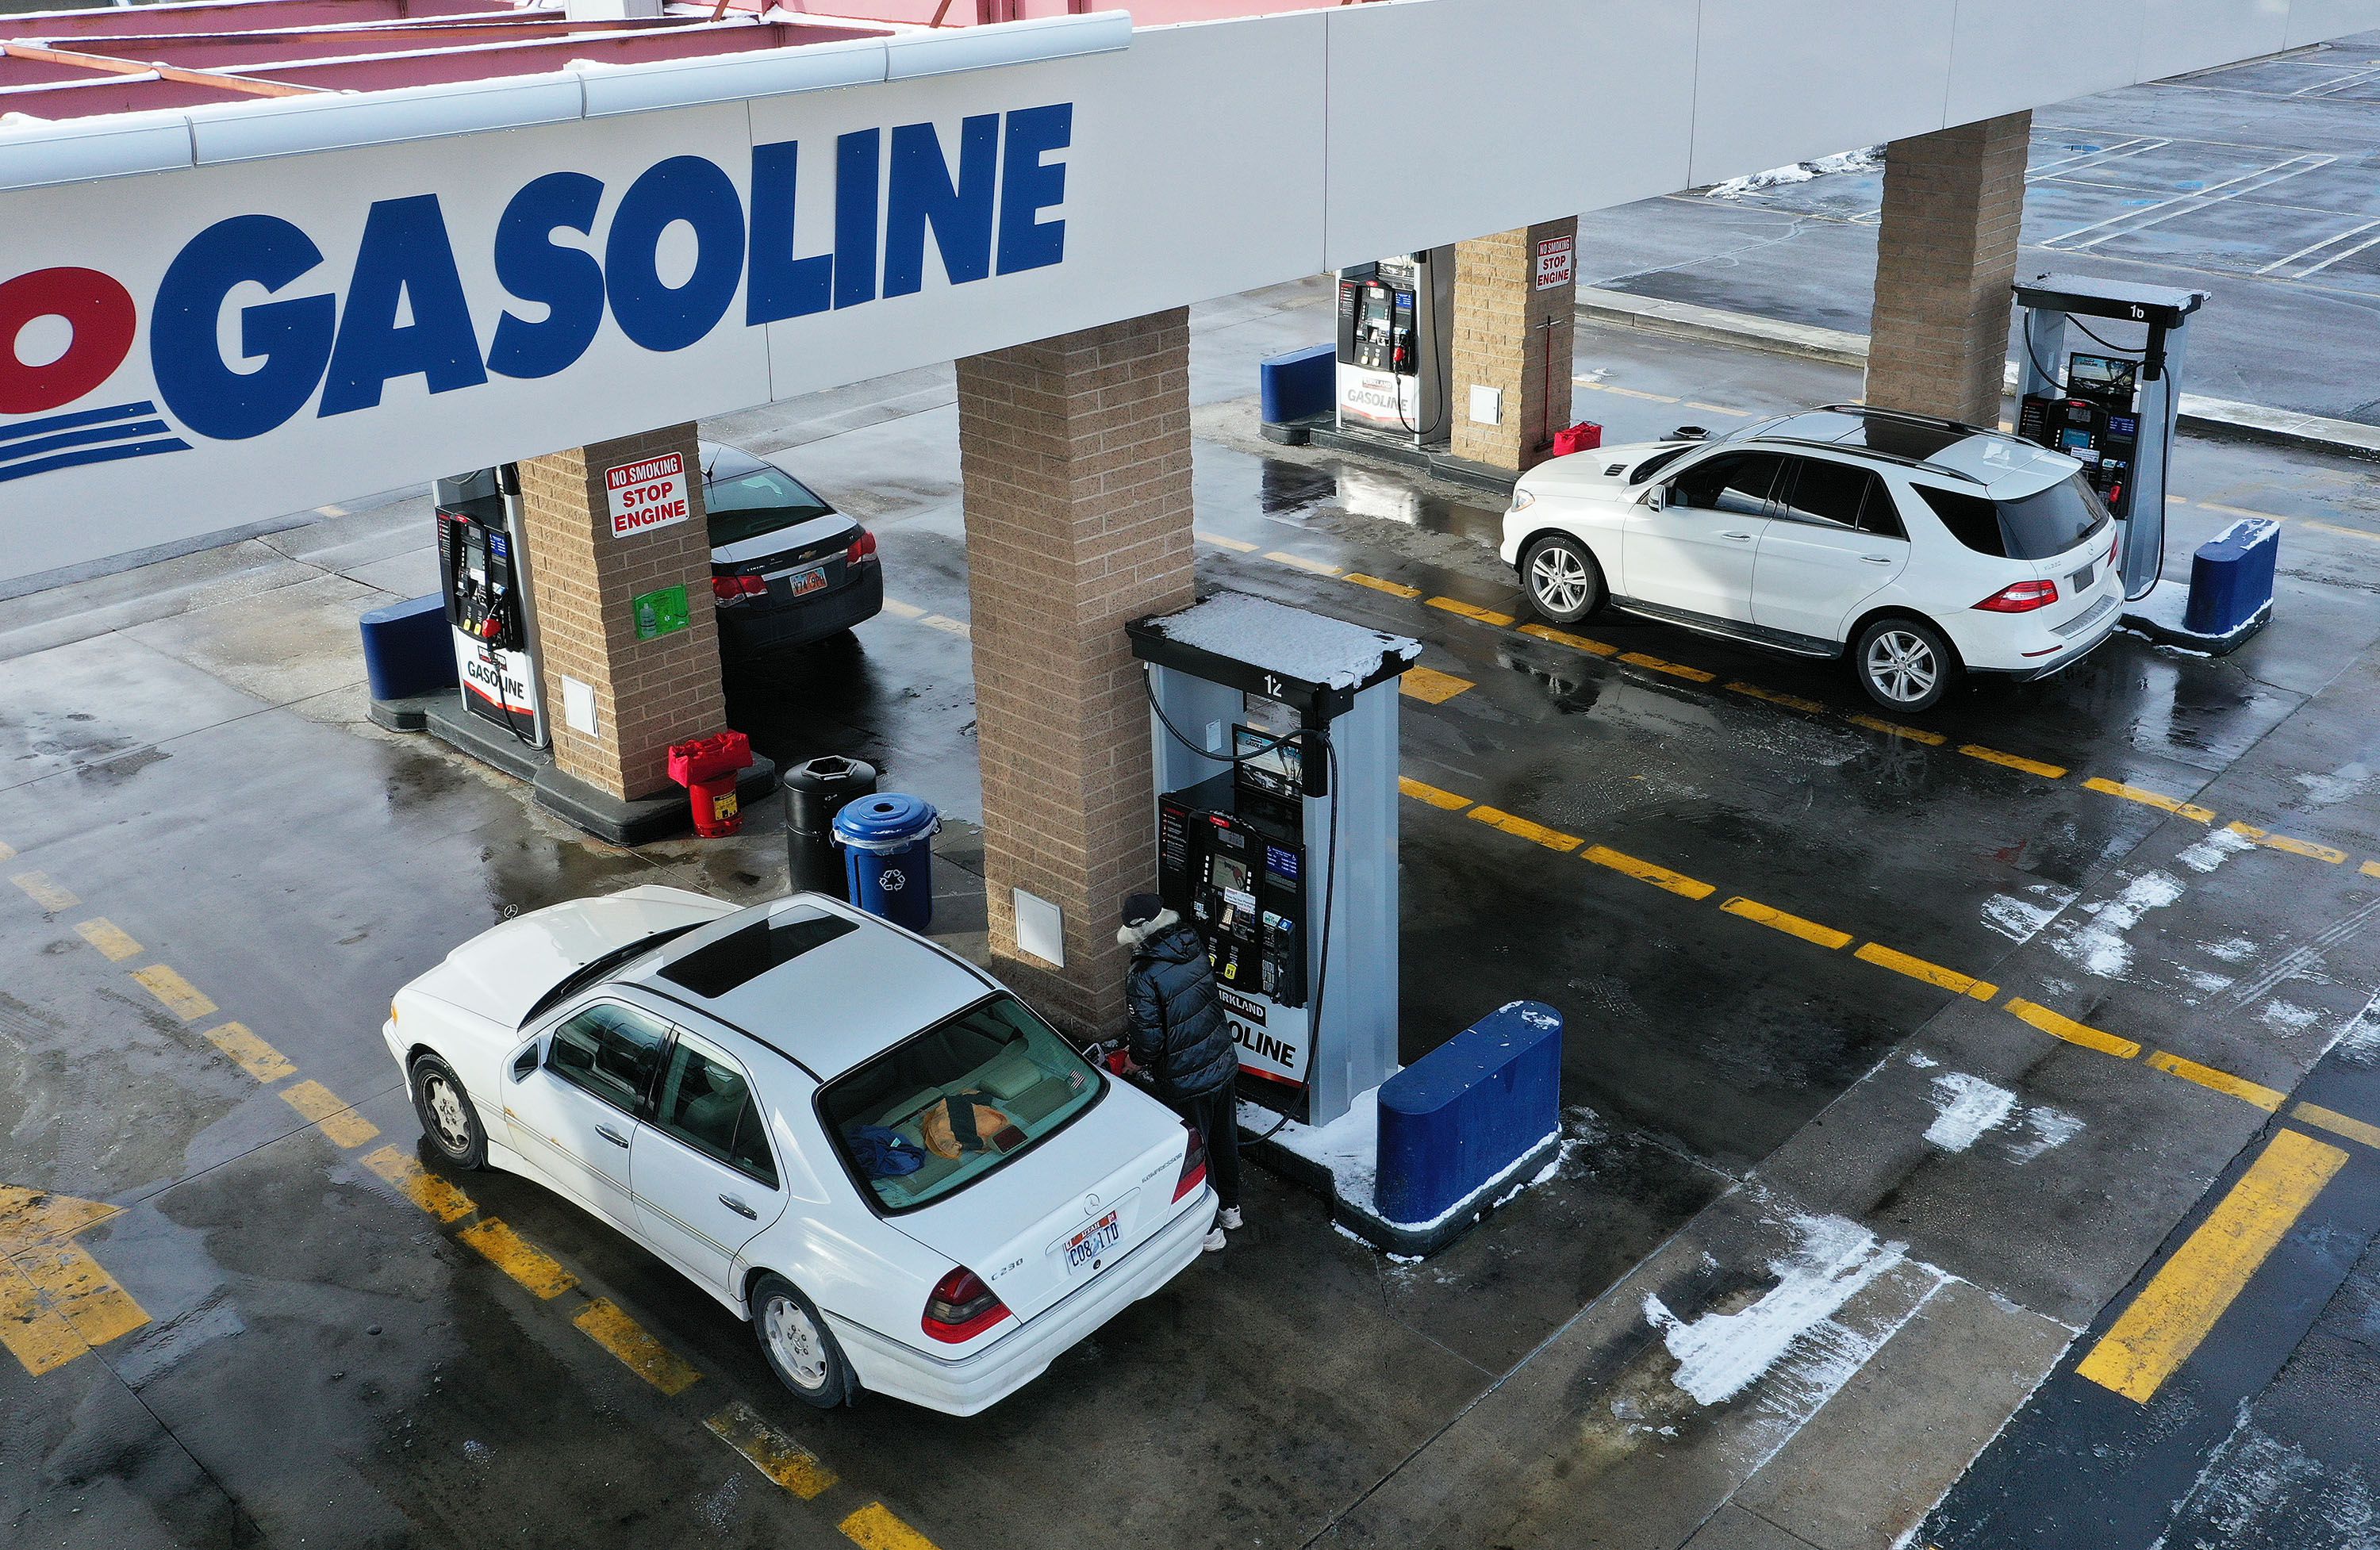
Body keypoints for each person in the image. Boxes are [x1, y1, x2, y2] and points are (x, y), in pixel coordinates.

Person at [1118, 892, 1241, 1252]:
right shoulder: (1191, 940)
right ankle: (1231, 1209)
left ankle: (1209, 1229)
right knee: (1224, 1139)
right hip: (1220, 1060)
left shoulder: (1142, 974)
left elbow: (1149, 1039)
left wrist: (1134, 1061)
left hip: (1185, 1078)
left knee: (1196, 1152)